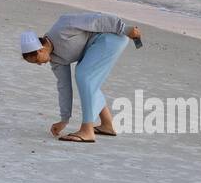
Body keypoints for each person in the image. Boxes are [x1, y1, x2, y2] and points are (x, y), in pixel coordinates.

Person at [19, 13, 143, 143]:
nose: (39, 64)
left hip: (112, 37)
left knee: (84, 75)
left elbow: (96, 20)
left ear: (40, 49)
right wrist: (64, 120)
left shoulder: (63, 26)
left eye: (37, 60)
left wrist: (124, 28)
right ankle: (107, 125)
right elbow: (64, 87)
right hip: (95, 46)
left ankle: (87, 130)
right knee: (88, 80)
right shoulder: (55, 60)